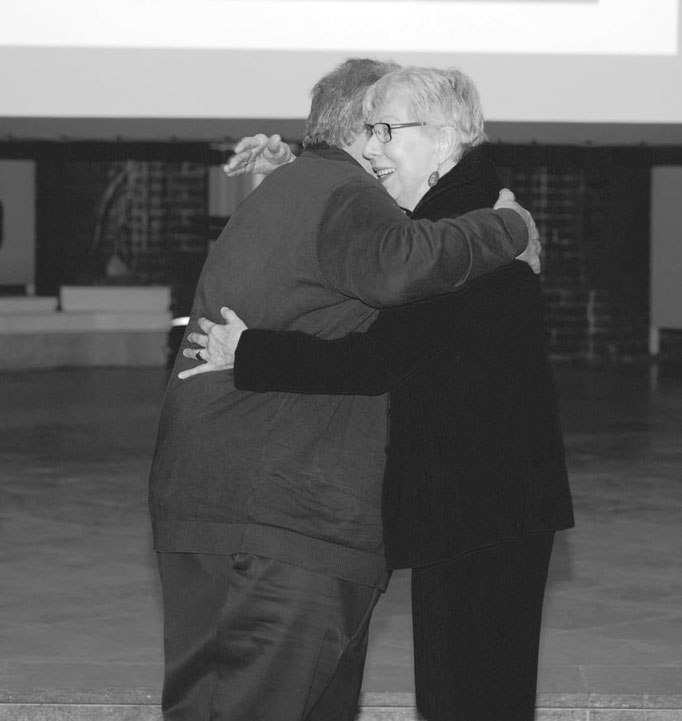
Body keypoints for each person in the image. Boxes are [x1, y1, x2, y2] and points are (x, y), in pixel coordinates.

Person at [182, 66, 574, 721]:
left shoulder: (465, 225)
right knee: (467, 694)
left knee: (472, 699)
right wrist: (296, 168)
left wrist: (244, 351)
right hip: (480, 504)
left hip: (486, 507)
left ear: (446, 137)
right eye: (368, 130)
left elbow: (376, 358)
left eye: (386, 129)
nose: (371, 147)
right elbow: (367, 219)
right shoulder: (461, 206)